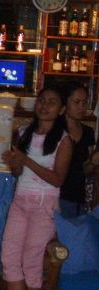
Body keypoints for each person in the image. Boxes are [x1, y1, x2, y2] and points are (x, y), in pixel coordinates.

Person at [0, 87, 72, 290]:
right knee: (9, 257)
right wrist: (15, 163)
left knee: (31, 262)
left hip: (44, 205)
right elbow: (19, 173)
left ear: (61, 109)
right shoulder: (25, 131)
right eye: (42, 100)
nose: (44, 106)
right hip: (21, 201)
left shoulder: (63, 140)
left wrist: (26, 161)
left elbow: (58, 179)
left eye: (52, 102)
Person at [60, 84, 95, 217]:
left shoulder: (88, 132)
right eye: (77, 102)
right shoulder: (56, 129)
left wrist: (93, 162)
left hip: (78, 198)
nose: (82, 107)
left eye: (84, 102)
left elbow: (85, 170)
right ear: (66, 103)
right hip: (56, 196)